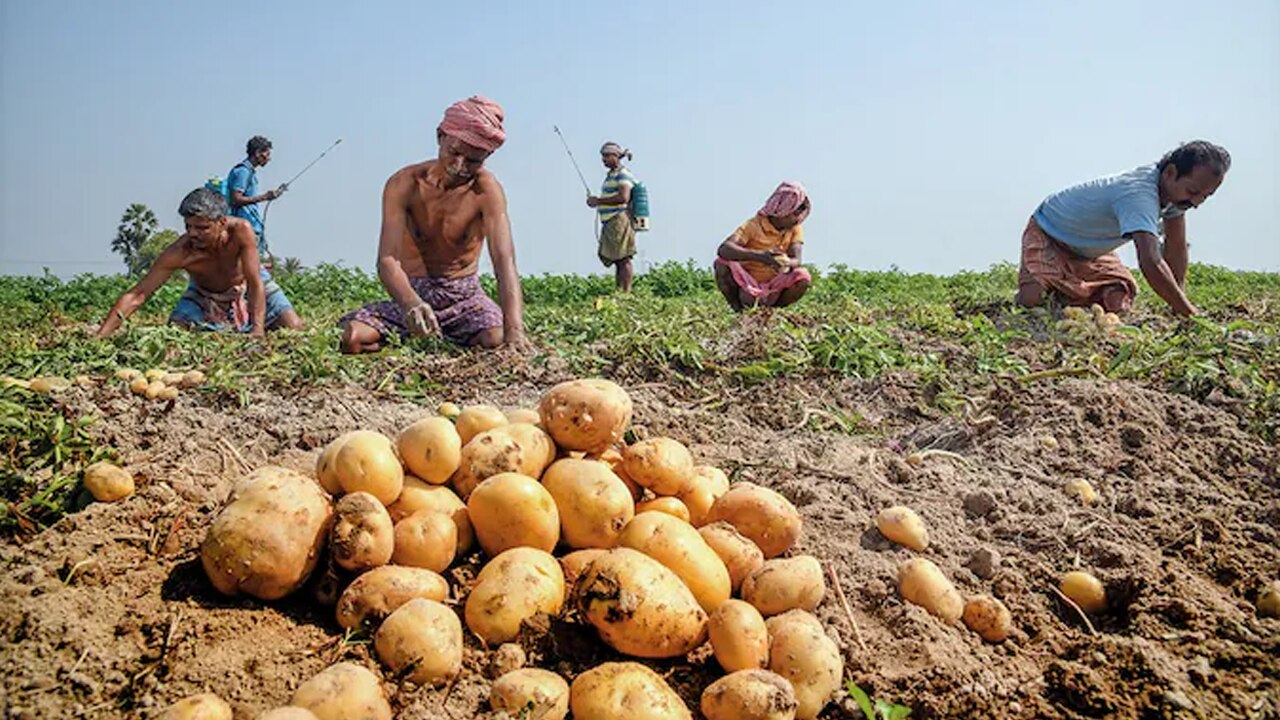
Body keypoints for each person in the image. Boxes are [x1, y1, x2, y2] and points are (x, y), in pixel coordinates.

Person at [339, 96, 527, 353]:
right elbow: (387, 260)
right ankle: (413, 336)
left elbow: (504, 262)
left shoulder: (486, 191)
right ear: (440, 137)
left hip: (466, 299)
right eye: (454, 152)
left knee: (495, 340)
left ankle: (443, 340)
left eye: (473, 161)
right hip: (411, 293)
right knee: (353, 339)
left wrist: (514, 331)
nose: (459, 167)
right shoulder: (404, 183)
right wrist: (410, 304)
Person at [1016, 140, 1230, 316]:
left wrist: (1178, 301)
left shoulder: (1175, 198)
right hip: (1050, 232)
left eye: (1205, 196)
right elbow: (1151, 261)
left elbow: (1176, 247)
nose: (1197, 202)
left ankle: (1066, 291)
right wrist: (1189, 312)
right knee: (1033, 300)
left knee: (1117, 302)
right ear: (1170, 173)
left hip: (1091, 251)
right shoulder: (1139, 195)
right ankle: (1045, 286)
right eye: (1192, 191)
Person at [95, 188, 301, 338]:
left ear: (221, 223)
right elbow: (137, 295)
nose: (193, 233)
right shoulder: (180, 253)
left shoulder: (241, 231)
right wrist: (100, 337)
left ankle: (253, 326)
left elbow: (255, 282)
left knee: (294, 328)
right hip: (205, 293)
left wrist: (257, 331)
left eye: (202, 228)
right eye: (189, 226)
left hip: (247, 284)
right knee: (174, 335)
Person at [714, 181, 813, 311]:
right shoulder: (754, 225)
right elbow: (724, 249)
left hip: (775, 286)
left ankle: (773, 310)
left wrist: (786, 262)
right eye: (795, 214)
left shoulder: (794, 228)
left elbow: (797, 260)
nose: (798, 219)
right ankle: (737, 309)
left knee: (803, 276)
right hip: (747, 286)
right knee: (721, 263)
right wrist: (761, 257)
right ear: (782, 209)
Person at [587, 142, 638, 292]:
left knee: (624, 258)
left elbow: (623, 197)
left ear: (616, 156)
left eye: (606, 156)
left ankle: (626, 291)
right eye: (603, 157)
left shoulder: (623, 174)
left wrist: (599, 201)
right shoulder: (611, 175)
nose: (604, 160)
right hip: (611, 220)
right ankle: (619, 291)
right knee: (617, 259)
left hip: (619, 219)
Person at [228, 135, 286, 265]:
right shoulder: (242, 171)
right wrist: (265, 197)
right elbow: (236, 199)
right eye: (267, 153)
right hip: (244, 226)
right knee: (246, 264)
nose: (269, 158)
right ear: (258, 153)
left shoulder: (250, 172)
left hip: (253, 225)